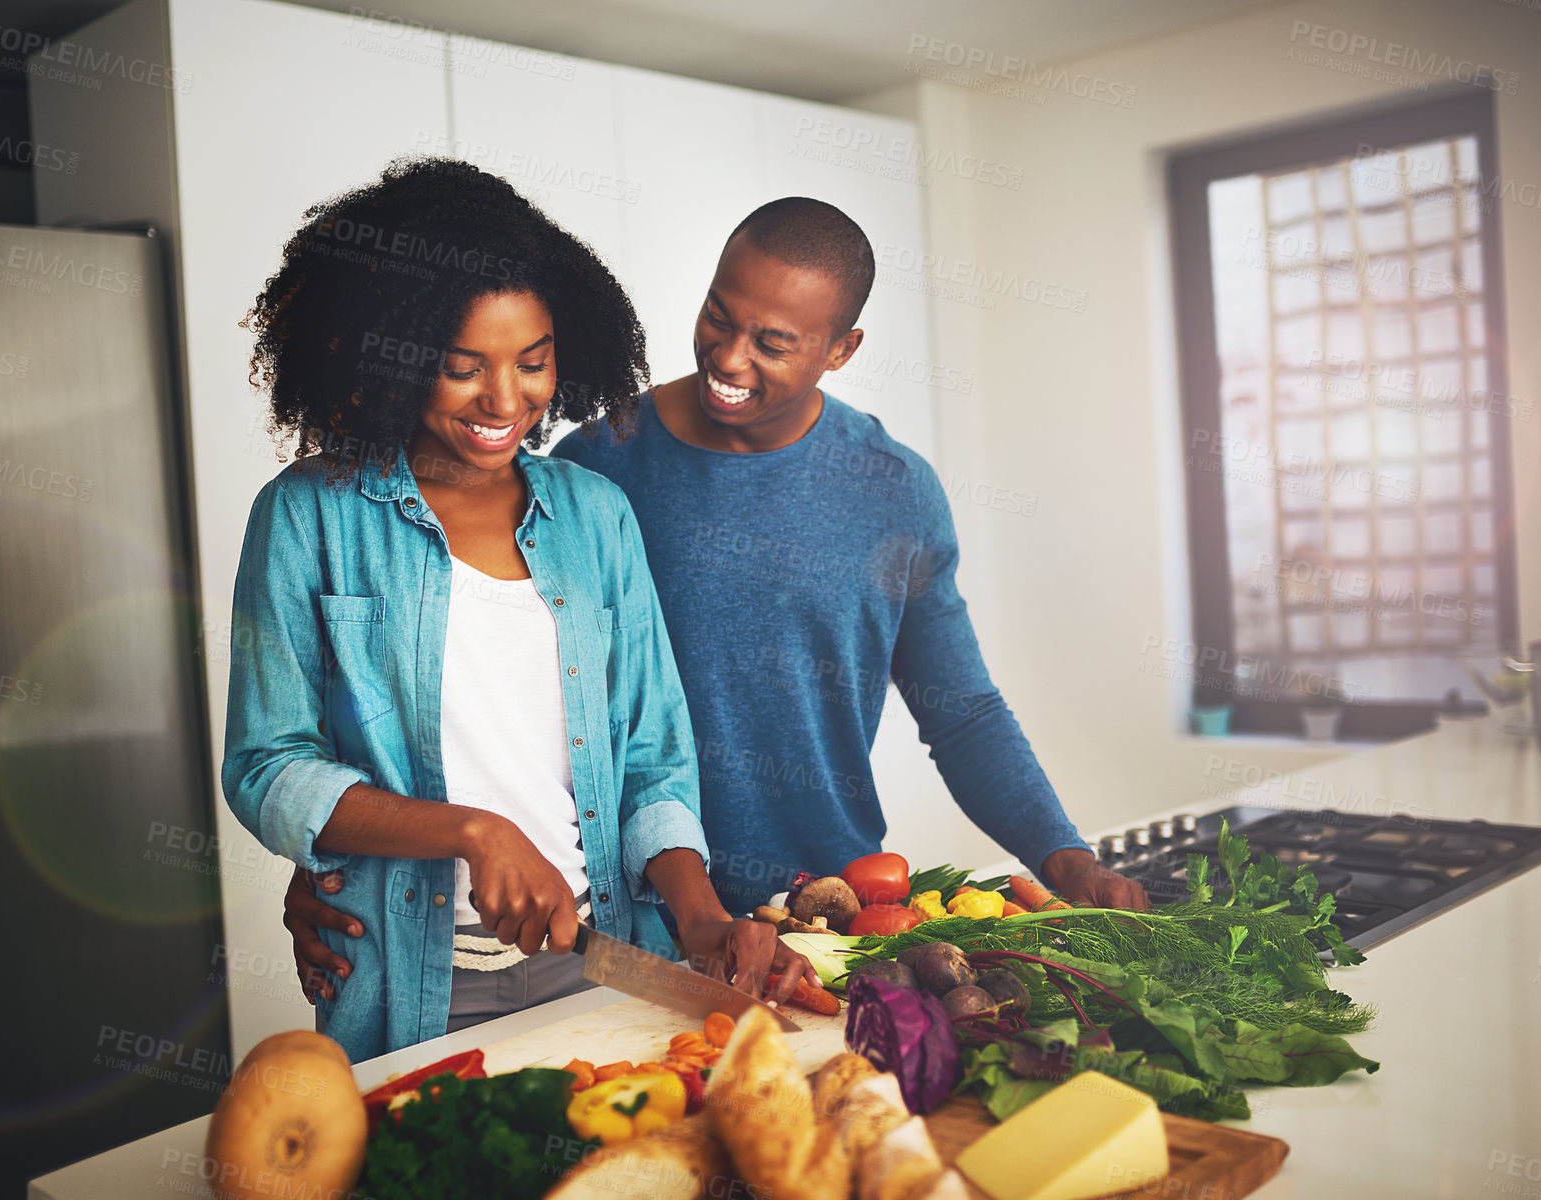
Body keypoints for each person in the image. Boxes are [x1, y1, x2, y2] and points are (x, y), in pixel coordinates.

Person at [283, 195, 1146, 1004]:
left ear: (839, 349)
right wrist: (349, 849)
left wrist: (1065, 860)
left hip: (822, 916)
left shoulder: (893, 493)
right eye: (717, 318)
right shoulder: (598, 465)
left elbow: (960, 713)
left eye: (772, 343)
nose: (729, 359)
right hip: (636, 924)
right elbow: (477, 694)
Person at [223, 159, 807, 1062]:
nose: (506, 401)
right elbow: (267, 767)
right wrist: (471, 832)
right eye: (463, 369)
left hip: (608, 958)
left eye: (532, 363)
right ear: (395, 357)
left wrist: (698, 919)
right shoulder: (309, 516)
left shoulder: (593, 516)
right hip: (410, 983)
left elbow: (652, 755)